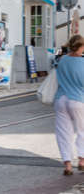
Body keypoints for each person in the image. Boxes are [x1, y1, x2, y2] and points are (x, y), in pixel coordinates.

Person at [54, 34, 84, 176]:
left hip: (61, 99)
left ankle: (67, 164)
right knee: (82, 131)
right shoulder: (82, 63)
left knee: (63, 132)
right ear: (81, 47)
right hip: (77, 100)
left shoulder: (62, 60)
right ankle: (82, 161)